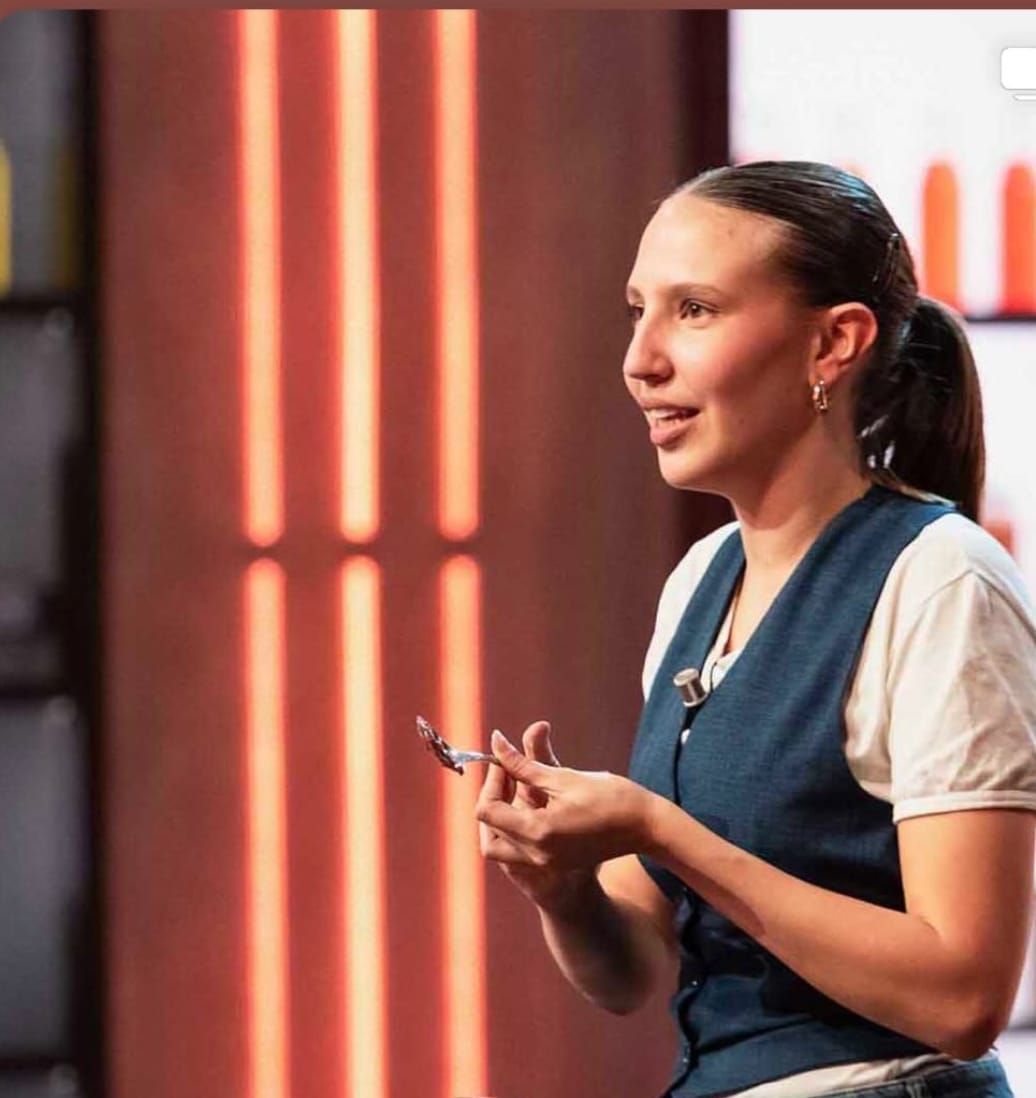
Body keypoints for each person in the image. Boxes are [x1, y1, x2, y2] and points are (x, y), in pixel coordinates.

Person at [475, 160, 1036, 1098]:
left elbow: (964, 995)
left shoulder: (941, 577)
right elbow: (634, 971)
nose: (641, 360)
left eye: (694, 310)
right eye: (637, 311)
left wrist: (660, 828)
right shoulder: (703, 579)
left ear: (834, 344)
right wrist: (563, 887)